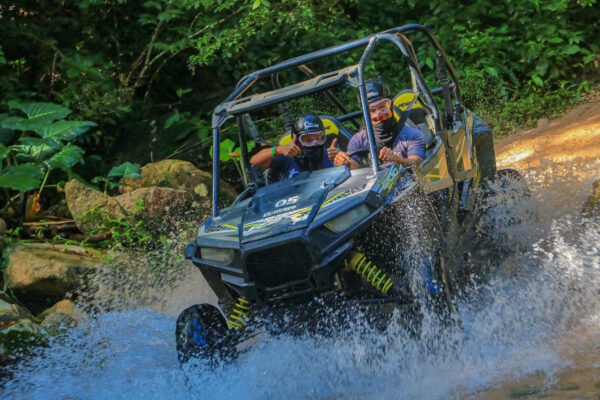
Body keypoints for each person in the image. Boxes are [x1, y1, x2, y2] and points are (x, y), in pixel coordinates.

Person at [328, 77, 425, 170]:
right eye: (372, 110)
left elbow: (418, 164)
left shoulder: (412, 135)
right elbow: (354, 168)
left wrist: (397, 159)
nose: (378, 115)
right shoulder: (358, 140)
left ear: (390, 105)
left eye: (383, 107)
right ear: (365, 113)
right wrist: (343, 163)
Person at [250, 114, 333, 182]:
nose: (315, 143)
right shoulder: (287, 157)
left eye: (319, 138)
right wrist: (278, 150)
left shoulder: (329, 155)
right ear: (297, 140)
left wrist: (342, 163)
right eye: (307, 139)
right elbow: (254, 161)